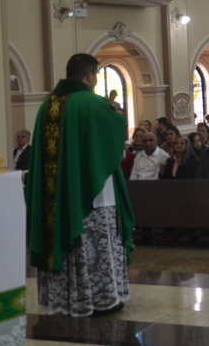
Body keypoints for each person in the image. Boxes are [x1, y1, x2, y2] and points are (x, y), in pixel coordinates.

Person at [26, 53, 134, 316]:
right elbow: (116, 138)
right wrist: (117, 115)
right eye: (95, 76)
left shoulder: (47, 105)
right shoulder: (92, 103)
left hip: (58, 193)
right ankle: (100, 298)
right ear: (89, 75)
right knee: (96, 242)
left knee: (64, 236)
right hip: (93, 193)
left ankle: (65, 298)